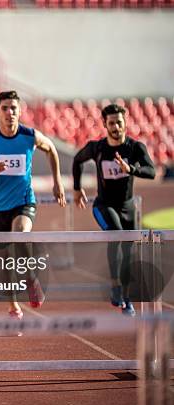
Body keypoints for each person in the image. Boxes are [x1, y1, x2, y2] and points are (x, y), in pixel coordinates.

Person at [0, 90, 66, 320]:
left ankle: (31, 280)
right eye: (5, 108)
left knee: (20, 233)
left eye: (14, 108)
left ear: (19, 111)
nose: (10, 112)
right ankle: (13, 304)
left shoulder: (30, 136)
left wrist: (58, 183)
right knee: (5, 261)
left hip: (23, 202)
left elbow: (52, 149)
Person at [73, 103, 155, 316]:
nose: (116, 127)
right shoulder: (97, 148)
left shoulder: (135, 148)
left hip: (128, 207)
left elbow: (151, 171)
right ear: (105, 124)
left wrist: (131, 169)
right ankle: (115, 286)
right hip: (104, 205)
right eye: (112, 123)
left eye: (119, 122)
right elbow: (77, 160)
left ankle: (126, 298)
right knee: (116, 234)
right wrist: (76, 188)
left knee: (129, 251)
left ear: (125, 122)